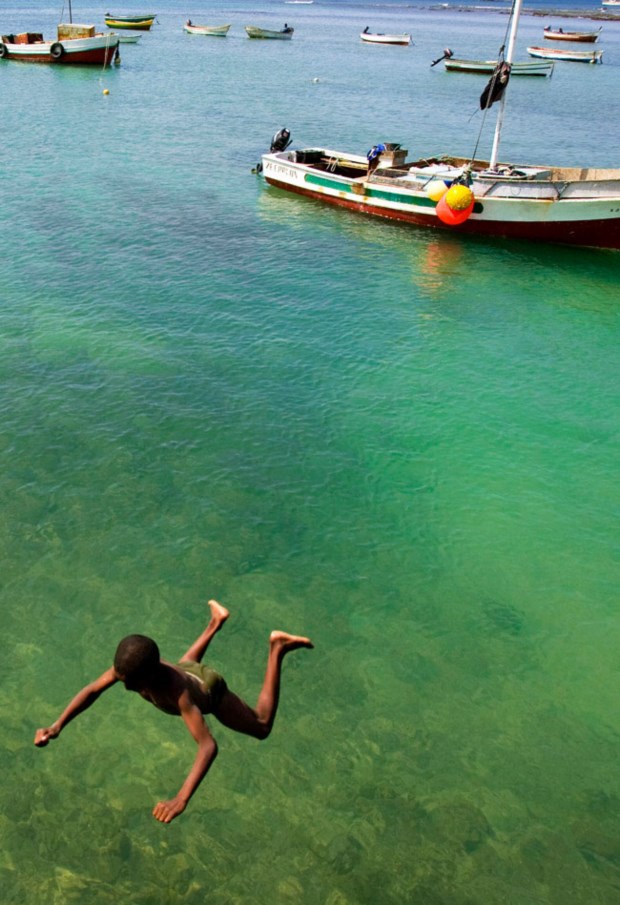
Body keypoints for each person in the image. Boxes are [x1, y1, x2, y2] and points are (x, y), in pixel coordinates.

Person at [34, 600, 313, 824]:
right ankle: (216, 621)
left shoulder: (179, 697)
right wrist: (57, 725)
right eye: (122, 679)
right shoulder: (131, 668)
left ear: (150, 675)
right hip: (186, 672)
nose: (125, 686)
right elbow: (92, 690)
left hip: (209, 690)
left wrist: (181, 799)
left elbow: (208, 746)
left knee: (262, 725)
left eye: (132, 683)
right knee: (186, 664)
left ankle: (277, 648)